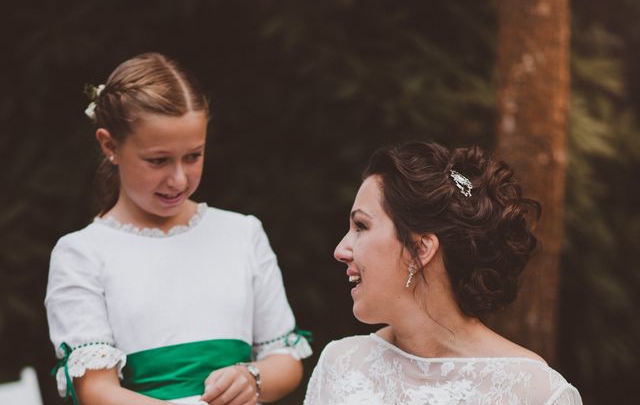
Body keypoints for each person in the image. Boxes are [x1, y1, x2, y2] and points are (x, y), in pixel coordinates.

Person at [45, 52, 311, 405]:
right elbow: (97, 390)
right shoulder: (82, 254)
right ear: (110, 145)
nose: (179, 178)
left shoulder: (241, 234)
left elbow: (285, 359)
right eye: (158, 160)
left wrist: (252, 378)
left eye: (193, 156)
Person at [304, 141, 581, 405]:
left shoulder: (535, 393)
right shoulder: (341, 365)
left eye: (361, 226)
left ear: (421, 248)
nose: (340, 250)